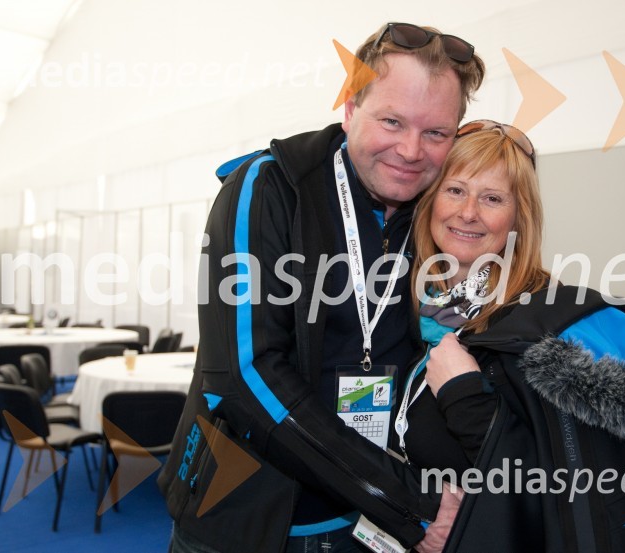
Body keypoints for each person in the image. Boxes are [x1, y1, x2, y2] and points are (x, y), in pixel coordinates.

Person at [157, 23, 485, 553]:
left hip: (367, 529)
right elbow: (242, 374)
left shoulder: (434, 212)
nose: (410, 149)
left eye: (436, 133)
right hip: (243, 522)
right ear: (351, 112)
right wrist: (406, 502)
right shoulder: (267, 187)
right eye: (392, 121)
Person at [399, 120, 625, 552]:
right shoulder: (407, 313)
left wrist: (465, 395)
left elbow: (578, 492)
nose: (468, 211)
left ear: (518, 219)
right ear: (430, 200)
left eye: (492, 198)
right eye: (455, 189)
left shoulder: (555, 333)